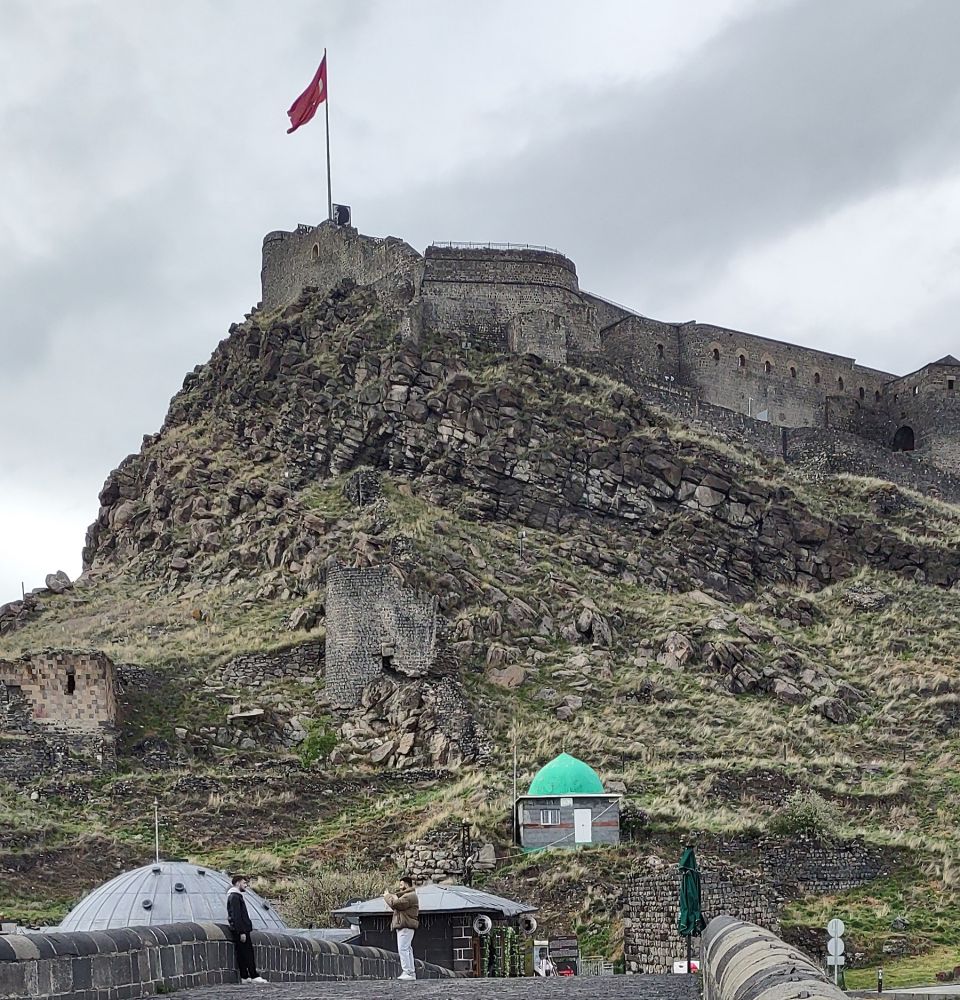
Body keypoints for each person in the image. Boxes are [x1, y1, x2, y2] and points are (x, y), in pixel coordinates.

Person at [227, 875, 267, 985]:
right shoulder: (235, 896)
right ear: (238, 883)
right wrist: (242, 932)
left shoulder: (235, 896)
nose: (246, 885)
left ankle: (244, 976)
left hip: (239, 929)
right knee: (248, 953)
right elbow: (237, 915)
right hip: (241, 930)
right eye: (244, 883)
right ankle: (254, 976)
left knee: (242, 953)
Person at [383, 875, 419, 980]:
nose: (399, 887)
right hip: (406, 925)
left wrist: (387, 896)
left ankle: (408, 972)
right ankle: (410, 972)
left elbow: (396, 904)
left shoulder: (409, 896)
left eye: (401, 884)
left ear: (406, 884)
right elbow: (397, 904)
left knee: (403, 949)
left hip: (405, 925)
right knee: (407, 949)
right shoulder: (409, 896)